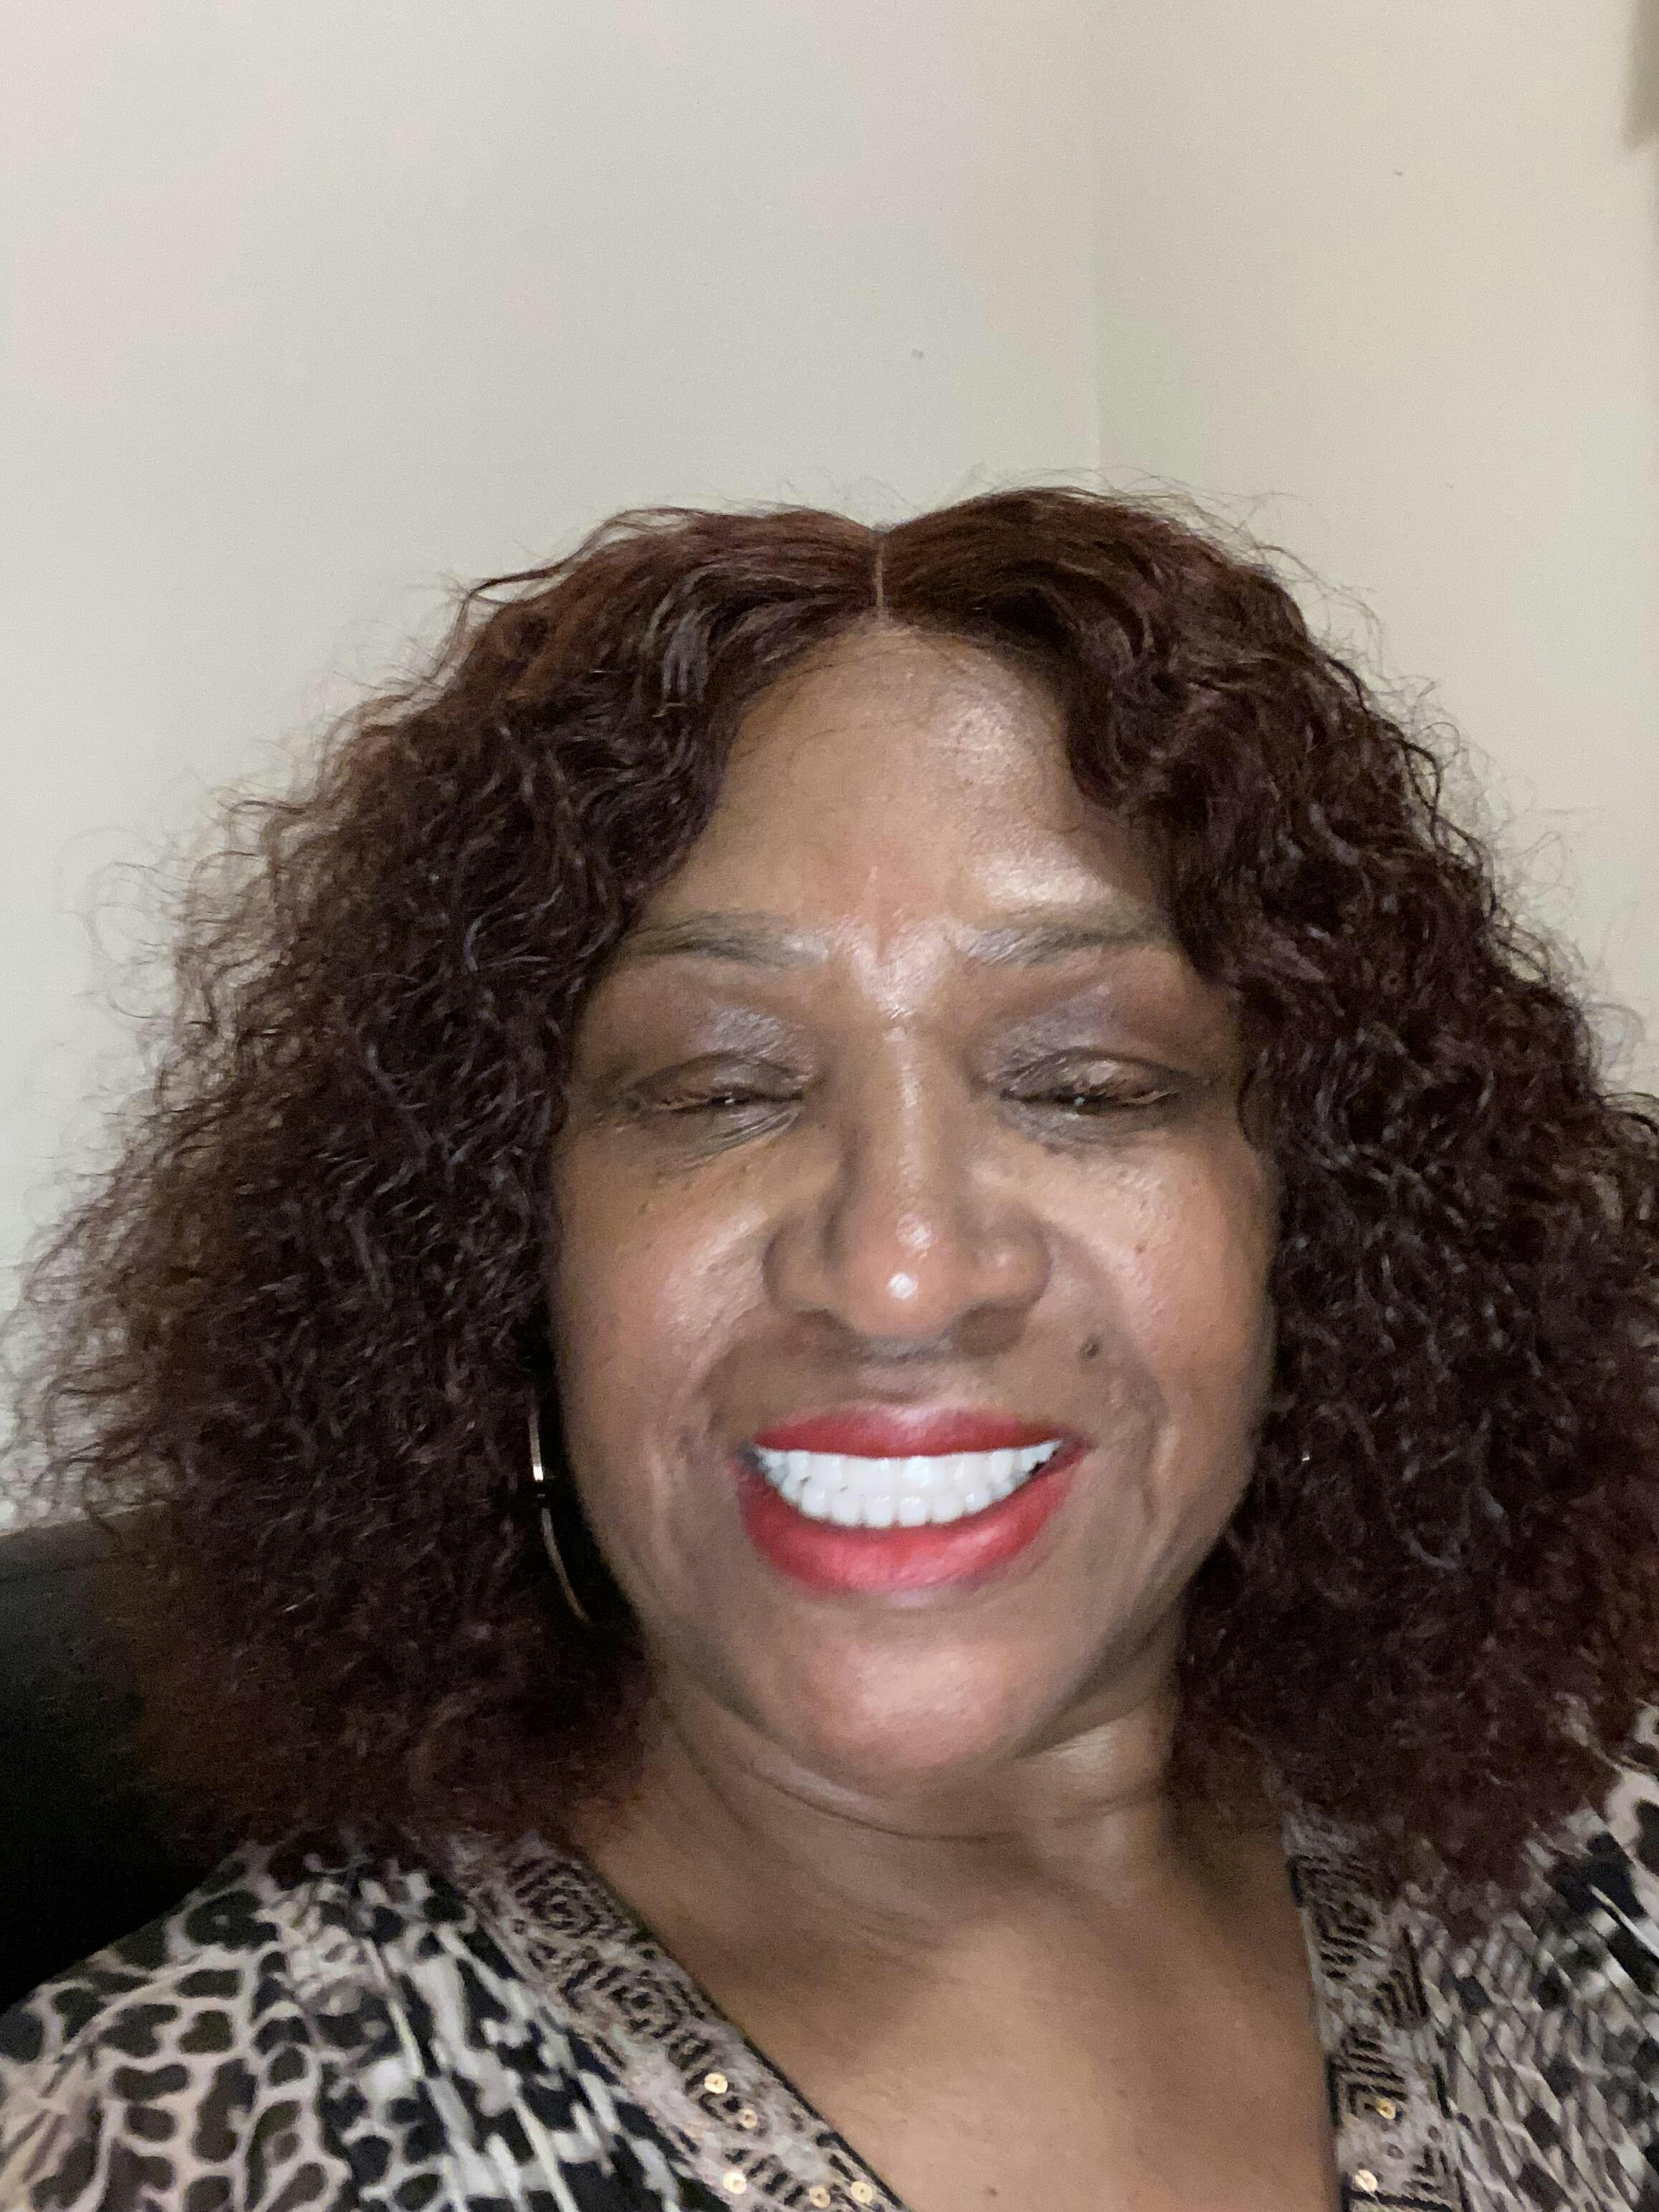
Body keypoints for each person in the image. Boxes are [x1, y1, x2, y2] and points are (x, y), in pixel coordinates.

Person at [1, 489, 1656, 2211]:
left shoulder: (1586, 1881)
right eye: (719, 1087)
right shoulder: (154, 2145)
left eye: (1090, 1084)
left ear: (1320, 1231)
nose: (897, 1269)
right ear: (498, 1254)